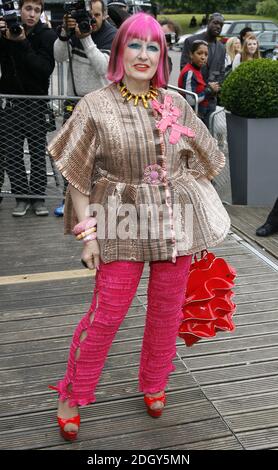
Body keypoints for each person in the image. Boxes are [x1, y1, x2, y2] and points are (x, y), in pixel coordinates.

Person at [48, 12, 230, 441]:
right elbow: (76, 173)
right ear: (119, 51)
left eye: (153, 47)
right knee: (108, 312)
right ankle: (71, 394)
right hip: (119, 218)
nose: (144, 55)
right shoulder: (95, 105)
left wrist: (201, 216)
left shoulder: (175, 102)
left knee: (167, 311)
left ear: (162, 54)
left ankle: (154, 381)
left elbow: (204, 158)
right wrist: (88, 235)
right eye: (135, 44)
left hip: (175, 221)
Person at [53, 0, 117, 216]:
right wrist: (64, 32)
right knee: (71, 153)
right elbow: (59, 57)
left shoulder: (111, 34)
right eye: (88, 15)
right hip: (76, 101)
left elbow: (105, 68)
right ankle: (69, 200)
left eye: (96, 15)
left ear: (105, 15)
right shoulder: (73, 30)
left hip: (102, 104)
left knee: (100, 157)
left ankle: (99, 202)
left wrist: (86, 39)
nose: (91, 20)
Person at [0, 0, 57, 217]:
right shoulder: (6, 29)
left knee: (37, 154)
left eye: (37, 10)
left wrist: (23, 42)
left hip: (36, 104)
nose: (32, 14)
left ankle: (38, 198)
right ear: (19, 10)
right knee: (13, 155)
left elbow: (44, 69)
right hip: (12, 103)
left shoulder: (46, 35)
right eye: (28, 9)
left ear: (41, 12)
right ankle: (22, 198)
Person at [180, 12, 226, 129]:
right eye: (215, 23)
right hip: (195, 100)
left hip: (211, 101)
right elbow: (184, 67)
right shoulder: (191, 41)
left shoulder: (221, 47)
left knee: (210, 134)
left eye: (221, 24)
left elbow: (221, 71)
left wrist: (216, 87)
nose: (218, 26)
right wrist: (206, 89)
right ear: (208, 23)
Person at [178, 40, 220, 124]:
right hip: (194, 118)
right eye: (199, 53)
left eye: (206, 54)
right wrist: (209, 90)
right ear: (191, 55)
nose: (203, 57)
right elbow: (191, 100)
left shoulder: (197, 70)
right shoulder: (189, 72)